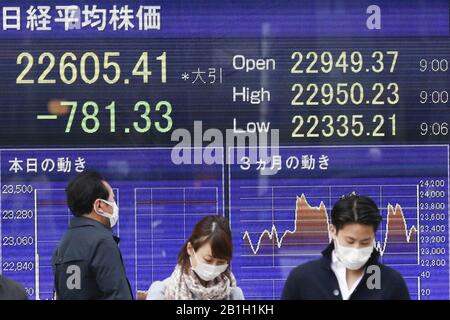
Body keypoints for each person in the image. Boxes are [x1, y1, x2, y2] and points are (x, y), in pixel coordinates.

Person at [282, 193, 410, 300]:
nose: (357, 249)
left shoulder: (392, 282)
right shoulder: (302, 279)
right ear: (332, 231)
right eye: (350, 241)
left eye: (365, 242)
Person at [52, 170, 133, 300]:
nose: (115, 204)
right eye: (112, 198)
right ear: (99, 205)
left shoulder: (63, 245)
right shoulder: (102, 242)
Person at [145, 215, 244, 300]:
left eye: (220, 262)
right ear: (190, 249)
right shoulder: (162, 291)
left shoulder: (233, 295)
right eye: (208, 260)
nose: (213, 267)